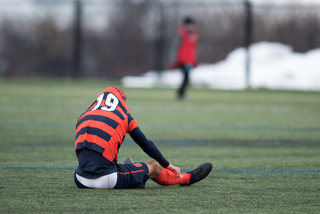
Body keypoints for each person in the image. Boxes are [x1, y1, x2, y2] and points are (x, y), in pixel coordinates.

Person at [74, 86, 212, 189]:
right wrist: (168, 165)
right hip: (108, 179)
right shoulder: (124, 116)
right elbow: (147, 145)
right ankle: (187, 178)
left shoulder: (83, 116)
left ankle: (129, 170)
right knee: (154, 166)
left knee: (103, 159)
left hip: (79, 179)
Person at [170, 17, 199, 100]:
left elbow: (193, 48)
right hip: (182, 60)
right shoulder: (181, 33)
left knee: (187, 78)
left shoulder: (193, 34)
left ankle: (181, 93)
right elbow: (175, 46)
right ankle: (181, 94)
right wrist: (174, 59)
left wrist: (194, 60)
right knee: (186, 77)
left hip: (189, 60)